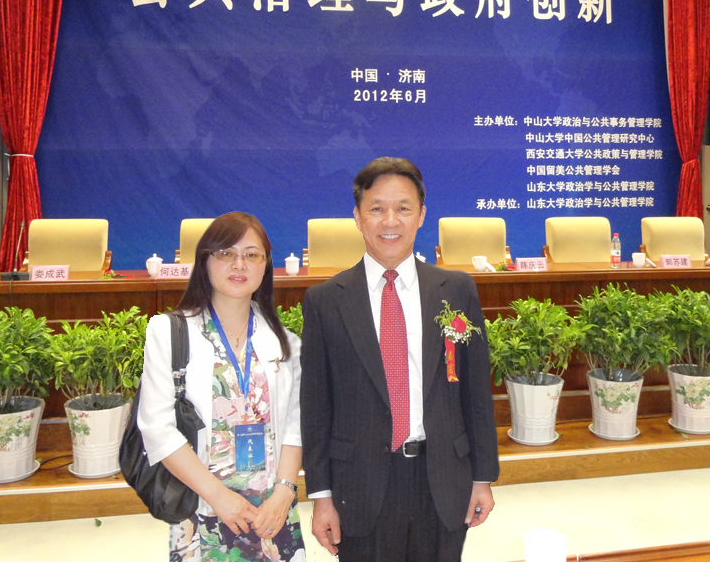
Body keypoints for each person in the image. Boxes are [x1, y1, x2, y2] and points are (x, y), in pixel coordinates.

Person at [300, 157, 499, 562]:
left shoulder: (456, 290)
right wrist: (321, 495)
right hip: (359, 485)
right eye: (376, 208)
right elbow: (316, 406)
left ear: (421, 215)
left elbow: (476, 393)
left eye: (403, 208)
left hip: (443, 477)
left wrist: (483, 477)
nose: (390, 221)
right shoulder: (325, 300)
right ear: (358, 217)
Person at [137, 212, 305, 562]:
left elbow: (295, 423)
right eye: (226, 253)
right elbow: (156, 428)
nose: (239, 264)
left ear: (265, 265)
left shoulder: (285, 342)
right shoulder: (168, 332)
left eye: (252, 254)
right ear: (205, 261)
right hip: (202, 506)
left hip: (272, 512)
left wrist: (285, 493)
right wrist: (219, 497)